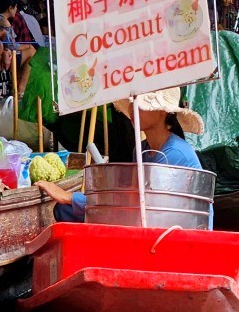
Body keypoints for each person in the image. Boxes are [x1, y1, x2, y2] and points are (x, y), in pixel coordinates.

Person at [38, 87, 205, 223]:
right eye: (132, 102)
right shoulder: (141, 150)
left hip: (171, 229)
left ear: (162, 112)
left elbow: (138, 207)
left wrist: (70, 197)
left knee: (69, 207)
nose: (132, 108)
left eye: (141, 103)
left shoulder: (173, 153)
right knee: (65, 211)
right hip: (144, 216)